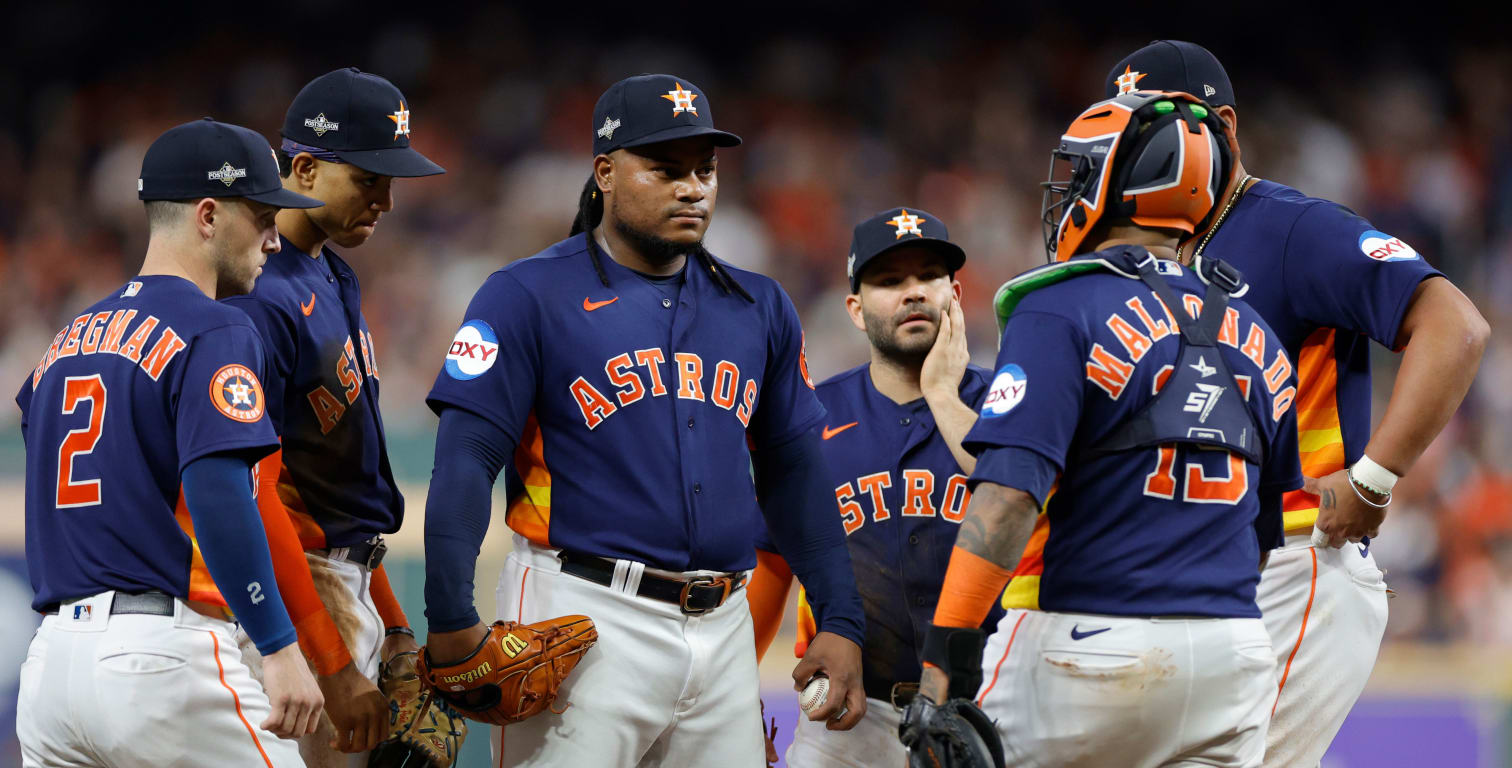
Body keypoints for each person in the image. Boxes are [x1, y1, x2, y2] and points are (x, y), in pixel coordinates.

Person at [418, 73, 866, 767]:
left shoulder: (757, 305)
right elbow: (466, 458)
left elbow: (794, 472)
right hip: (582, 613)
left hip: (723, 625)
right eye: (665, 169)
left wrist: (839, 615)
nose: (693, 188)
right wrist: (450, 615)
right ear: (605, 172)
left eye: (705, 169)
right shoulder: (526, 295)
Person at [1104, 41, 1489, 765]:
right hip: (1202, 572)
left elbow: (1455, 325)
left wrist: (1377, 475)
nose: (1136, 150)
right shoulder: (1149, 248)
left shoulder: (1286, 227)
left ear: (1222, 126)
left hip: (1294, 560)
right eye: (1124, 133)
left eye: (1154, 128)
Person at [912, 90, 1304, 767]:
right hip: (1234, 653)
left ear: (1116, 187)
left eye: (1082, 173)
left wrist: (941, 665)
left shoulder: (1061, 305)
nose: (1068, 189)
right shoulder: (1260, 333)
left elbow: (1005, 499)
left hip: (1091, 645)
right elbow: (1261, 534)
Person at [14, 118, 327, 767]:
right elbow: (218, 495)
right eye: (263, 215)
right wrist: (278, 645)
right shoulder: (216, 328)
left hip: (49, 669)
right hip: (158, 657)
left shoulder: (67, 338)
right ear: (208, 215)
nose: (275, 238)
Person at [221, 67, 446, 766]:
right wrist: (332, 660)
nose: (384, 199)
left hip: (345, 581)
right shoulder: (259, 296)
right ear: (307, 167)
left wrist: (397, 625)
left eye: (392, 182)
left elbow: (342, 493)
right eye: (369, 178)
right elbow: (261, 500)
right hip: (300, 594)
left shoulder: (329, 270)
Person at [748, 207, 998, 767]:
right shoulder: (809, 418)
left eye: (928, 276)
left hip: (991, 709)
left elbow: (1027, 510)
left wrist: (942, 396)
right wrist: (737, 693)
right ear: (856, 311)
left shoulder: (1008, 406)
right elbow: (769, 560)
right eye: (890, 281)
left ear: (955, 292)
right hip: (849, 716)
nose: (913, 293)